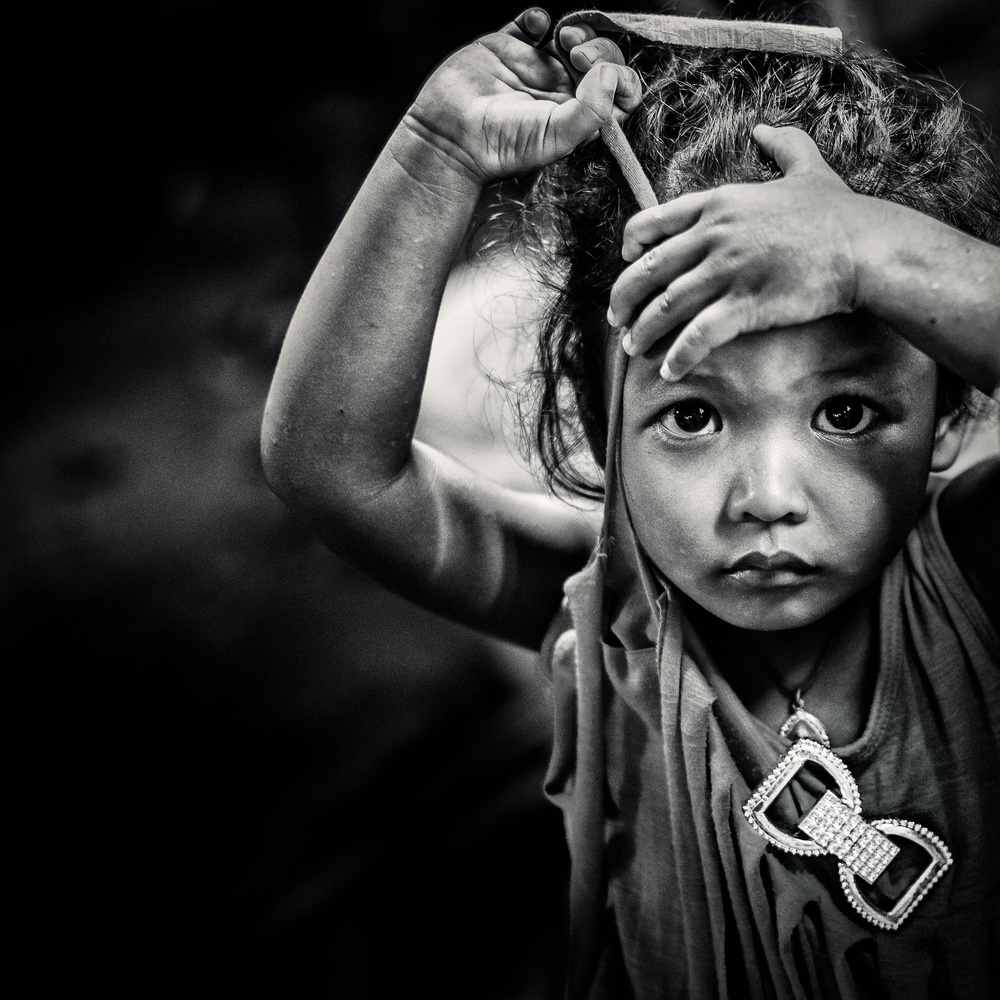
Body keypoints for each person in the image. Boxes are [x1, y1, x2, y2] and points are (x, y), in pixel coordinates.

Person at [261, 7, 1000, 997]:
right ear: (597, 415)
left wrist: (875, 253)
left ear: (950, 415)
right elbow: (331, 465)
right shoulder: (609, 618)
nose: (767, 498)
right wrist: (434, 154)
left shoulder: (974, 577)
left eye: (846, 411)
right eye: (693, 415)